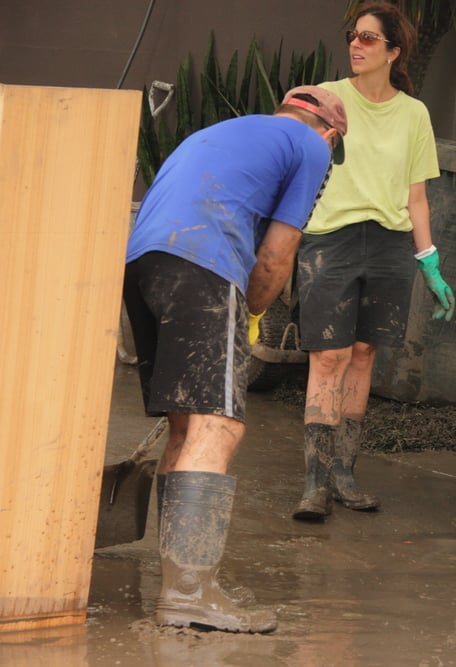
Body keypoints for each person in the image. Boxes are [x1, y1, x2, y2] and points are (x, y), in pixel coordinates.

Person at [122, 85, 347, 633]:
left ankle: (182, 582)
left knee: (186, 425)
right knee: (219, 426)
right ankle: (190, 593)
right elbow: (277, 253)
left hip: (143, 263)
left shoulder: (223, 132)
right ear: (330, 132)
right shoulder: (313, 147)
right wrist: (251, 310)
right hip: (204, 260)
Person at [292, 2, 454, 521]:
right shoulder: (327, 99)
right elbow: (293, 162)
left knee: (363, 355)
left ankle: (345, 474)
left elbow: (417, 196)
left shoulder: (414, 114)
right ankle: (314, 483)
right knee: (329, 357)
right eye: (352, 36)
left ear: (393, 51)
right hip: (331, 241)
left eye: (368, 38)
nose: (356, 45)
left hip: (389, 245)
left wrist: (428, 261)